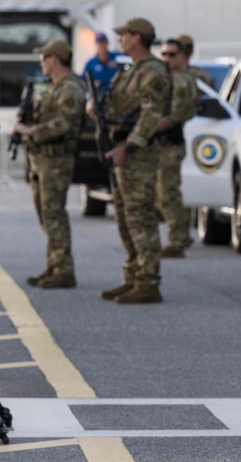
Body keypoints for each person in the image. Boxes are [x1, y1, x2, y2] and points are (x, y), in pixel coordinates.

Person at [90, 18, 172, 304]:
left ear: (137, 38)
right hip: (122, 151)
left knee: (140, 218)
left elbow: (151, 115)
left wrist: (128, 146)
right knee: (125, 218)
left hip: (138, 153)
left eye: (124, 35)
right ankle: (134, 277)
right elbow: (116, 106)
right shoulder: (129, 70)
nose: (120, 40)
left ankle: (148, 282)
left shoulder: (152, 71)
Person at [14, 40, 86, 289]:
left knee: (54, 213)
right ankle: (54, 265)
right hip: (41, 159)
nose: (41, 63)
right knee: (46, 214)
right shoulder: (52, 88)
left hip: (56, 160)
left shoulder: (71, 89)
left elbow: (63, 123)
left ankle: (64, 270)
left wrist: (30, 131)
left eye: (43, 58)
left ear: (54, 59)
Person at [156, 39, 199, 258]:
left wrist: (151, 126)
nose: (167, 58)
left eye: (171, 54)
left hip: (170, 142)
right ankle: (182, 234)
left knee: (167, 193)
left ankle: (177, 239)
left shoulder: (181, 80)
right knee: (165, 191)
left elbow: (177, 114)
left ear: (182, 56)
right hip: (165, 142)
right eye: (164, 54)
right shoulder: (171, 77)